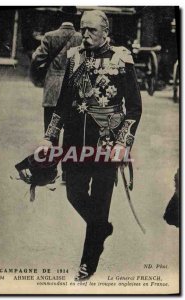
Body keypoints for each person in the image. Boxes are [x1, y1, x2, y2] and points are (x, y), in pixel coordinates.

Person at [42, 10, 142, 281]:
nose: (84, 35)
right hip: (75, 142)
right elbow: (63, 103)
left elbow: (133, 108)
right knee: (73, 194)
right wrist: (50, 136)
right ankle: (102, 229)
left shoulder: (121, 59)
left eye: (91, 31)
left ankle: (89, 262)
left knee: (99, 203)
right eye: (83, 29)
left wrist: (123, 142)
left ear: (105, 32)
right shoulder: (75, 57)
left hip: (107, 144)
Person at [30, 6, 82, 181]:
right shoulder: (81, 38)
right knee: (71, 134)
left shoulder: (49, 36)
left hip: (52, 90)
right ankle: (68, 173)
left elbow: (37, 59)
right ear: (75, 19)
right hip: (73, 92)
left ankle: (50, 172)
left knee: (51, 133)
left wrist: (40, 76)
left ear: (60, 18)